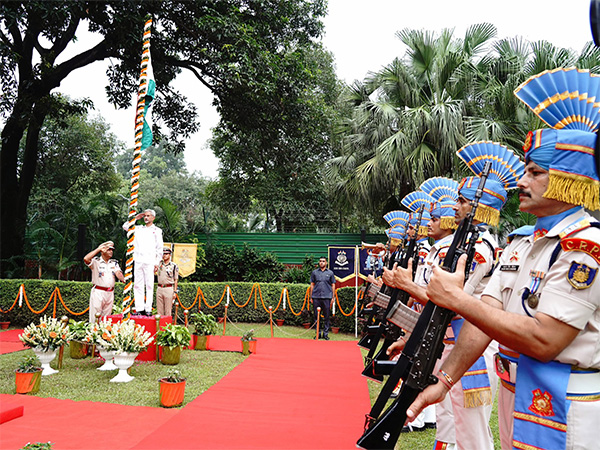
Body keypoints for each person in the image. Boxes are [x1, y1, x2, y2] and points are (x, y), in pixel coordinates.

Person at [408, 68, 600, 450]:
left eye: (534, 173)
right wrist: (443, 382)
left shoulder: (584, 247)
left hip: (569, 401)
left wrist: (457, 299)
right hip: (520, 388)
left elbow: (545, 339)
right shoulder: (521, 243)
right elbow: (485, 318)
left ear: (569, 178)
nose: (522, 183)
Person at [388, 143, 523, 450]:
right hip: (450, 343)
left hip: (469, 345)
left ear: (483, 205)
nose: (456, 208)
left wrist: (409, 286)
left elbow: (454, 300)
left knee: (471, 432)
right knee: (450, 424)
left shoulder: (480, 249)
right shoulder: (466, 244)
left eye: (463, 201)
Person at [122, 209, 163, 316]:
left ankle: (148, 308)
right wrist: (136, 218)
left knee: (149, 285)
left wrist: (157, 262)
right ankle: (139, 308)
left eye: (148, 216)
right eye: (145, 216)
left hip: (150, 260)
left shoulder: (157, 230)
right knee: (138, 285)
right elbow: (125, 226)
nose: (146, 218)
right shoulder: (138, 228)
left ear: (153, 218)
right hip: (138, 259)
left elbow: (159, 248)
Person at [84, 241, 124, 322]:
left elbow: (118, 273)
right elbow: (86, 259)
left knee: (106, 318)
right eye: (109, 250)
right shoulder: (96, 261)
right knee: (95, 316)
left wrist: (124, 279)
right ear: (103, 251)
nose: (111, 252)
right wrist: (98, 249)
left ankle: (103, 333)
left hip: (110, 292)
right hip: (98, 292)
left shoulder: (114, 263)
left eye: (112, 250)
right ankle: (93, 333)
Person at [310, 256, 336, 340]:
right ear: (319, 262)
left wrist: (333, 297)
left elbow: (333, 285)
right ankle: (318, 333)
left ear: (326, 263)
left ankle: (325, 334)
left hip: (327, 297)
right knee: (316, 316)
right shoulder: (314, 272)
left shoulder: (330, 273)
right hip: (316, 296)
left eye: (323, 261)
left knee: (327, 316)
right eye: (320, 261)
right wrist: (311, 296)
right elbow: (312, 284)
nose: (322, 263)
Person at [156, 247, 179, 317]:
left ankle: (167, 326)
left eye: (166, 254)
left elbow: (175, 279)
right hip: (159, 287)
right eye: (163, 254)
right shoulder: (159, 264)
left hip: (168, 288)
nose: (164, 255)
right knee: (159, 311)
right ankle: (159, 327)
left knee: (168, 310)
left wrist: (175, 292)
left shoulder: (173, 265)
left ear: (169, 255)